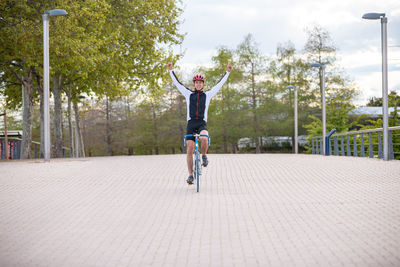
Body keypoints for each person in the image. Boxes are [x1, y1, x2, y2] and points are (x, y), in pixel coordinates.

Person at [167, 62, 232, 184]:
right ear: (194, 84)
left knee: (204, 138)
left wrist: (227, 72)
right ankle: (190, 175)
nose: (198, 84)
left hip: (201, 123)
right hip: (191, 124)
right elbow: (177, 83)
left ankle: (204, 156)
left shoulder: (208, 95)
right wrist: (171, 71)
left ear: (203, 84)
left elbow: (219, 84)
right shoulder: (188, 94)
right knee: (190, 149)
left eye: (200, 82)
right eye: (196, 82)